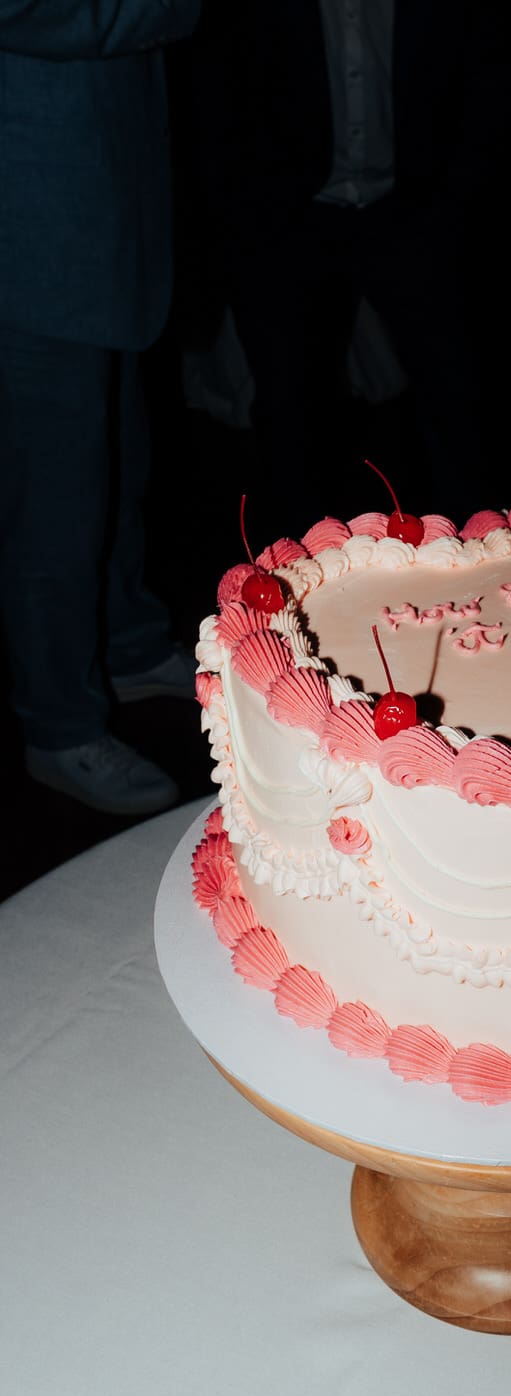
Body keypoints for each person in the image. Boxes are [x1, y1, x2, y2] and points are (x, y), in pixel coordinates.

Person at [169, 0, 511, 536]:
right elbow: (214, 93)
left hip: (411, 210)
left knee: (457, 397)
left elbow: (487, 83)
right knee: (288, 408)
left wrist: (449, 206)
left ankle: (479, 563)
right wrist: (245, 217)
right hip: (286, 218)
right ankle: (300, 575)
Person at [0, 1, 202, 816]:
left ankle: (125, 643)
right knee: (52, 501)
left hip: (101, 214)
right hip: (26, 231)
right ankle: (57, 724)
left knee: (118, 464)